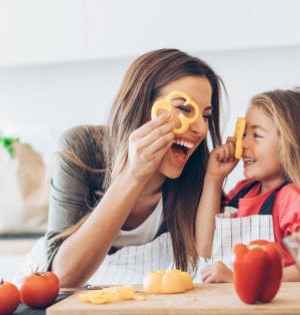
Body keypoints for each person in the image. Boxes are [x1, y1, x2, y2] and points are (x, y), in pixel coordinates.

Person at [44, 48, 225, 287]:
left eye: (206, 116)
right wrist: (133, 175)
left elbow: (205, 259)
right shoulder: (82, 147)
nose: (200, 129)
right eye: (184, 109)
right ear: (141, 105)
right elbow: (63, 278)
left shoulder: (199, 174)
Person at [195, 87, 300, 283]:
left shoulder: (292, 198)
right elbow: (204, 248)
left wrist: (240, 277)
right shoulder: (243, 191)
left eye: (256, 135)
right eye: (244, 134)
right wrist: (213, 178)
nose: (243, 144)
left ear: (291, 145)